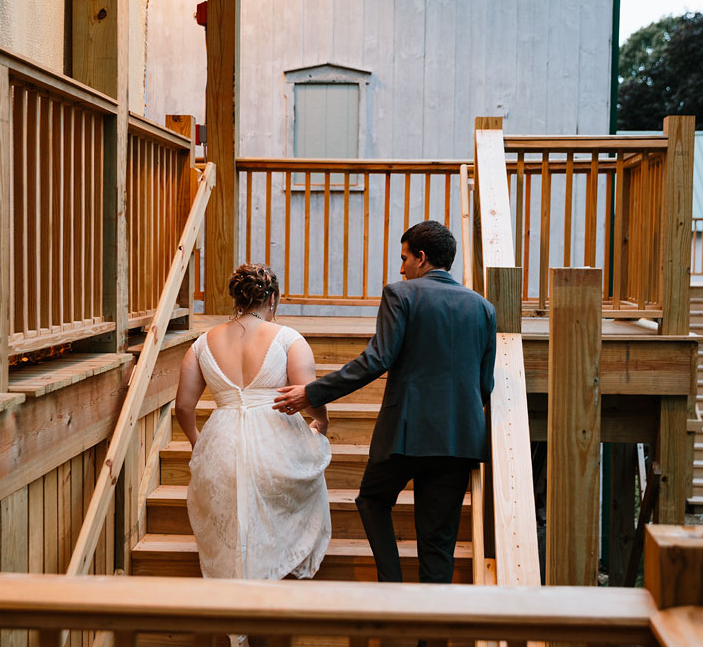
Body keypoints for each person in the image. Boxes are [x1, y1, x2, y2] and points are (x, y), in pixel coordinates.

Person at [274, 220, 497, 584]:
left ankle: (391, 588)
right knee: (438, 547)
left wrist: (310, 393)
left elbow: (376, 360)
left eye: (404, 258)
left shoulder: (400, 294)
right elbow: (484, 384)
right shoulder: (483, 308)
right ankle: (427, 640)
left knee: (372, 501)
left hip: (404, 437)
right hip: (459, 440)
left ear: (421, 258)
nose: (401, 268)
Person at [174, 263, 331, 583]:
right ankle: (273, 575)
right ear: (272, 298)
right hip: (275, 440)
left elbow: (183, 406)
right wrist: (321, 423)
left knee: (234, 523)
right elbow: (308, 396)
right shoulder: (289, 339)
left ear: (237, 298)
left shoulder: (202, 343)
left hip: (222, 441)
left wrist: (196, 441)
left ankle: (238, 585)